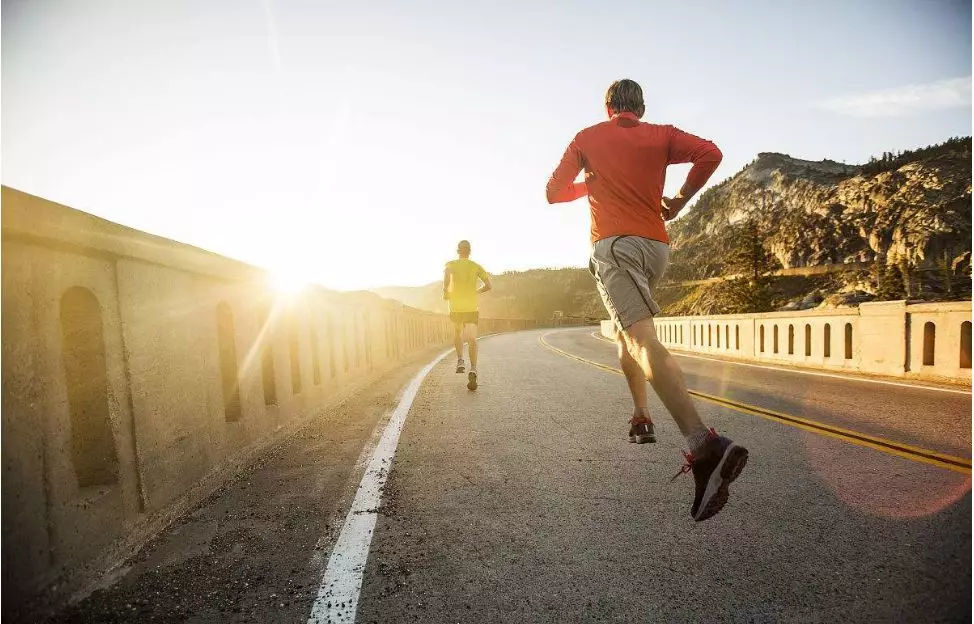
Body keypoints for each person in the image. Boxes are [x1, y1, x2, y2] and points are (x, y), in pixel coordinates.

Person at [545, 78, 748, 522]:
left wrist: (589, 184)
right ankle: (641, 414)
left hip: (615, 246)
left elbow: (553, 193)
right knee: (625, 331)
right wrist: (678, 200)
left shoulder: (587, 139)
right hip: (656, 248)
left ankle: (704, 445)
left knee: (641, 339)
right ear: (640, 107)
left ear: (608, 107)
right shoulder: (662, 135)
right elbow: (711, 154)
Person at [444, 240, 491, 390]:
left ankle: (460, 360)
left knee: (457, 333)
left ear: (458, 251)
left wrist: (446, 291)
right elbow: (489, 286)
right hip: (471, 307)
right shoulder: (476, 266)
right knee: (472, 339)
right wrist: (476, 291)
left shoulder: (450, 264)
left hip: (456, 307)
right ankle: (473, 369)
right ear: (469, 251)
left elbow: (446, 279)